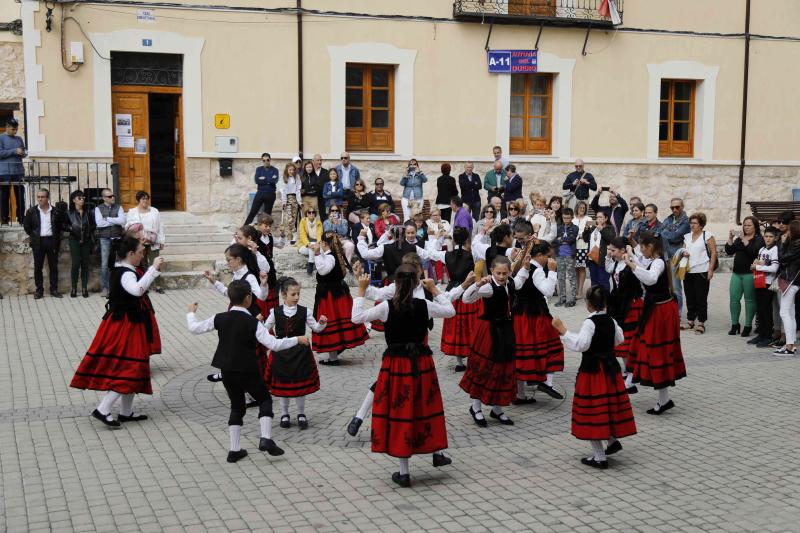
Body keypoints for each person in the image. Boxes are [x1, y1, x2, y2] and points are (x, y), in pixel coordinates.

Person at [351, 267, 455, 487]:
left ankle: (404, 472)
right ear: (417, 283)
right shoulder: (424, 305)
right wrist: (435, 289)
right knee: (425, 407)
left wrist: (360, 291)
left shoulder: (387, 307)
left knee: (401, 411)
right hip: (421, 363)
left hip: (397, 365)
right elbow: (450, 311)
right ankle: (435, 452)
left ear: (395, 285)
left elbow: (357, 317)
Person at [187, 280, 306, 462]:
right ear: (248, 298)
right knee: (264, 399)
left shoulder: (220, 317)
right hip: (248, 369)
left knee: (237, 406)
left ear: (230, 298)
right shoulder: (253, 322)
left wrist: (191, 312)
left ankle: (234, 450)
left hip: (227, 370)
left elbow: (194, 328)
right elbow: (273, 344)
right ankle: (265, 438)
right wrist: (296, 339)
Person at [70, 236, 163, 427]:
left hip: (128, 323)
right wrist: (153, 269)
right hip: (124, 326)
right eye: (140, 253)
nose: (142, 256)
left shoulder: (122, 269)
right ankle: (103, 409)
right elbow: (137, 290)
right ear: (130, 254)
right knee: (129, 368)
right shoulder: (126, 273)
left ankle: (126, 412)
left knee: (134, 365)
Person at [553, 285, 637, 470]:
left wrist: (563, 331)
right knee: (607, 405)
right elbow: (620, 339)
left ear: (588, 304)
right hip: (610, 370)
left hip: (593, 371)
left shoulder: (589, 323)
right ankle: (612, 440)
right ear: (605, 303)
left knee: (592, 410)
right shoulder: (611, 320)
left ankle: (599, 457)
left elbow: (581, 344)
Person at [624, 232, 686, 414]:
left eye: (643, 247)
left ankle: (658, 397)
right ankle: (632, 383)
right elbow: (643, 265)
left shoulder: (659, 262)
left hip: (661, 312)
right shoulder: (653, 260)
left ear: (651, 247)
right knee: (644, 346)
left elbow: (650, 278)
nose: (642, 250)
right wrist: (632, 255)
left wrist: (631, 263)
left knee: (657, 351)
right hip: (655, 309)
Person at [460, 255, 524, 426]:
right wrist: (477, 284)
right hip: (489, 332)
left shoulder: (511, 283)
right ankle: (476, 408)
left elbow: (521, 278)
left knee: (503, 368)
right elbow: (466, 299)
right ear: (492, 271)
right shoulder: (488, 288)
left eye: (504, 273)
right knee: (484, 368)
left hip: (506, 330)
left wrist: (525, 266)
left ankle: (497, 409)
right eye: (498, 273)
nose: (501, 276)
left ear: (509, 272)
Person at [264, 277, 327, 429]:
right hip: (281, 352)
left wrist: (322, 323)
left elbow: (316, 328)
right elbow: (265, 329)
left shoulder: (305, 311)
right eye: (293, 294)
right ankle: (284, 413)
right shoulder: (275, 312)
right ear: (283, 295)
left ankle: (301, 413)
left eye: (298, 293)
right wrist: (258, 323)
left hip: (300, 354)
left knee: (300, 386)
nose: (297, 297)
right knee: (283, 385)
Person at [511, 238, 564, 403]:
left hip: (519, 314)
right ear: (539, 255)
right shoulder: (538, 269)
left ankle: (520, 394)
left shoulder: (522, 265)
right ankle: (546, 383)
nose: (549, 259)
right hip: (535, 314)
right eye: (548, 256)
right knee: (552, 344)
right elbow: (547, 291)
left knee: (521, 352)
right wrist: (553, 271)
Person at [311, 231, 369, 365]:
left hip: (329, 295)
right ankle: (334, 354)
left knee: (330, 323)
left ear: (324, 243)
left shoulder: (331, 257)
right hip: (336, 293)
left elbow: (322, 271)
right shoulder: (334, 255)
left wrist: (317, 253)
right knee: (336, 322)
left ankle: (333, 357)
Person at [606, 237, 644, 394]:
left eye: (613, 250)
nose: (611, 252)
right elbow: (608, 269)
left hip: (630, 306)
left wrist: (631, 255)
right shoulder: (616, 263)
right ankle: (627, 370)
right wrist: (608, 256)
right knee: (620, 340)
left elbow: (641, 269)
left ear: (623, 250)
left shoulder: (631, 263)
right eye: (610, 249)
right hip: (618, 305)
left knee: (629, 342)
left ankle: (632, 374)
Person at [439, 227, 478, 371]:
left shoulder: (446, 255)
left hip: (453, 293)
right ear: (467, 239)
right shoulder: (472, 254)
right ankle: (472, 359)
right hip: (469, 293)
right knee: (470, 325)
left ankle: (459, 363)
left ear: (454, 240)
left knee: (456, 326)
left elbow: (428, 252)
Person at [23, 188, 68, 299]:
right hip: (38, 242)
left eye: (42, 197)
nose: (40, 199)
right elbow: (27, 226)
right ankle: (39, 291)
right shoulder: (31, 211)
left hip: (52, 241)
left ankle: (54, 290)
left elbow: (62, 224)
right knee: (38, 267)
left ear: (47, 198)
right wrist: (34, 236)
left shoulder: (56, 211)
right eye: (38, 197)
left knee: (53, 266)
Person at [724, 216, 763, 337]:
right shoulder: (739, 239)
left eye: (749, 225)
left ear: (755, 227)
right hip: (736, 273)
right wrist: (730, 238)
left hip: (750, 274)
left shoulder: (759, 239)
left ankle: (748, 325)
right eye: (745, 225)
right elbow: (729, 251)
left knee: (749, 300)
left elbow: (754, 252)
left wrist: (744, 240)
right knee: (734, 300)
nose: (746, 227)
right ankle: (735, 324)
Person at [679, 212, 716, 334]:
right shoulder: (687, 236)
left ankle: (701, 322)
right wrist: (683, 253)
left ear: (701, 225)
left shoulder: (707, 235)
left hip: (702, 270)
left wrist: (710, 269)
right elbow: (683, 250)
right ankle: (690, 320)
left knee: (701, 297)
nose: (692, 225)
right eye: (691, 223)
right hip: (688, 271)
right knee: (690, 297)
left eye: (695, 223)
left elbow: (713, 252)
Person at [125, 191, 166, 293]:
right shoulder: (132, 212)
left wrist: (161, 241)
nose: (146, 200)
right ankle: (143, 286)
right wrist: (137, 237)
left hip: (153, 242)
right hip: (139, 242)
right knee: (141, 264)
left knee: (155, 262)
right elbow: (128, 227)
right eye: (143, 198)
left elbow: (160, 226)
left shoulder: (154, 211)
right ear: (139, 200)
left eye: (147, 198)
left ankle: (158, 285)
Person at [749, 227, 780, 348]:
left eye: (771, 236)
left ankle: (768, 336)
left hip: (769, 283)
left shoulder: (775, 249)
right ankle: (761, 334)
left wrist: (757, 267)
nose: (768, 239)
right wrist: (755, 264)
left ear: (775, 238)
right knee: (760, 309)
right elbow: (760, 263)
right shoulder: (762, 249)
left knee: (766, 309)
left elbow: (774, 268)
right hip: (759, 281)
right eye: (766, 236)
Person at [660, 198, 690, 320]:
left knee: (676, 287)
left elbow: (675, 237)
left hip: (676, 257)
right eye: (672, 207)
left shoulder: (686, 221)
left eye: (677, 207)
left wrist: (665, 232)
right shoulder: (669, 218)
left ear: (682, 207)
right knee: (668, 286)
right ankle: (669, 311)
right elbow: (660, 230)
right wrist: (667, 232)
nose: (674, 209)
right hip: (665, 255)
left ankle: (677, 314)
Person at [774, 220, 800, 356]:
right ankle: (791, 344)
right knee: (790, 312)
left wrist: (783, 244)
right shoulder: (795, 244)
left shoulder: (796, 244)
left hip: (790, 281)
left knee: (784, 312)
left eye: (789, 230)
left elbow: (782, 258)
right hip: (793, 281)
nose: (787, 232)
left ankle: (789, 346)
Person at [94, 188, 126, 297]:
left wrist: (107, 219)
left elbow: (122, 221)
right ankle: (105, 288)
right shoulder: (98, 209)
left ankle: (118, 287)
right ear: (104, 198)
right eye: (109, 196)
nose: (112, 198)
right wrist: (115, 220)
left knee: (118, 264)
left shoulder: (119, 207)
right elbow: (99, 224)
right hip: (104, 239)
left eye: (113, 196)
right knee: (104, 264)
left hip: (117, 239)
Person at [66, 190, 95, 298]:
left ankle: (84, 288)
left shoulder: (88, 212)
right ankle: (74, 288)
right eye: (79, 198)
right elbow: (63, 225)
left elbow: (93, 225)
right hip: (74, 240)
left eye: (83, 198)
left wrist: (87, 231)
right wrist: (72, 228)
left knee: (85, 264)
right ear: (74, 200)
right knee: (75, 264)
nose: (82, 200)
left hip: (86, 240)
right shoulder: (69, 213)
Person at [0, 117, 26, 225]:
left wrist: (23, 153)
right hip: (4, 172)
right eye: (13, 129)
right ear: (7, 127)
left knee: (20, 196)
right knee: (4, 196)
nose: (15, 132)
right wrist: (15, 151)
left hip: (18, 171)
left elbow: (23, 152)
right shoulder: (1, 138)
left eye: (16, 129)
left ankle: (21, 218)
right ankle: (4, 219)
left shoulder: (19, 139)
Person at [583, 209, 616, 292]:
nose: (598, 219)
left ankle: (605, 298)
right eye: (597, 217)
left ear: (606, 218)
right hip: (592, 258)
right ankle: (595, 298)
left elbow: (611, 238)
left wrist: (602, 229)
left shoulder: (610, 228)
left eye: (601, 217)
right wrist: (586, 229)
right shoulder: (593, 228)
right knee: (594, 281)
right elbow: (586, 239)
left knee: (603, 281)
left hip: (602, 259)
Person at [553, 207, 579, 307]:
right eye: (564, 218)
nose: (566, 220)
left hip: (570, 255)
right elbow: (554, 240)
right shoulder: (559, 227)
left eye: (568, 218)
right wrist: (561, 240)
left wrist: (561, 239)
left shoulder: (575, 228)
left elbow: (571, 239)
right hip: (559, 255)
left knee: (572, 276)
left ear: (572, 217)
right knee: (561, 277)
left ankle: (572, 298)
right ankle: (562, 298)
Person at [244, 152, 280, 225]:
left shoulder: (275, 170)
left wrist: (263, 179)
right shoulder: (259, 169)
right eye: (264, 160)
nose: (266, 162)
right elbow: (257, 180)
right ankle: (245, 228)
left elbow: (274, 181)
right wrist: (269, 179)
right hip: (260, 193)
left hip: (270, 194)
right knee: (253, 211)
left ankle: (265, 230)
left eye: (267, 160)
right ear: (262, 161)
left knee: (267, 215)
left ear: (270, 160)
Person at [425, 208, 451, 283]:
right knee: (438, 261)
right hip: (434, 245)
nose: (436, 216)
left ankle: (450, 278)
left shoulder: (445, 222)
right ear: (430, 215)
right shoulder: (428, 222)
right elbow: (429, 232)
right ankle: (439, 280)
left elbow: (447, 232)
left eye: (438, 215)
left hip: (445, 244)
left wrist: (439, 230)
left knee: (448, 261)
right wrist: (439, 230)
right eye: (434, 215)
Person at [277, 162, 299, 244]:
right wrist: (284, 201)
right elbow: (283, 191)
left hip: (295, 199)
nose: (291, 171)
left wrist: (299, 201)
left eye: (293, 170)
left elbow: (298, 190)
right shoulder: (283, 178)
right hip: (287, 200)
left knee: (293, 218)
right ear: (287, 170)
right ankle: (294, 233)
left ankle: (292, 236)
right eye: (290, 170)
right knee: (289, 219)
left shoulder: (296, 177)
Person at [296, 207, 323, 275]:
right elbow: (302, 235)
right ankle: (311, 264)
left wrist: (317, 243)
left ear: (315, 214)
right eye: (309, 212)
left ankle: (311, 264)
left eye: (313, 212)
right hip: (304, 245)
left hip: (315, 245)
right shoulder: (303, 221)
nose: (311, 214)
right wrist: (308, 244)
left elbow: (319, 235)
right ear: (306, 214)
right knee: (313, 247)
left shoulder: (318, 222)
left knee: (314, 246)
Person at [574, 201, 591, 299]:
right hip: (573, 246)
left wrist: (580, 235)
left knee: (581, 268)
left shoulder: (588, 219)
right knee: (575, 268)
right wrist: (579, 235)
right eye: (580, 207)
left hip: (583, 247)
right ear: (577, 208)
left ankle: (580, 291)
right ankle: (577, 289)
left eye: (584, 208)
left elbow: (588, 234)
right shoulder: (572, 219)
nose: (582, 209)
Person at [311, 154, 328, 220]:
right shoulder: (310, 172)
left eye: (320, 160)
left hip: (323, 200)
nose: (320, 162)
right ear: (313, 161)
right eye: (318, 160)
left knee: (324, 217)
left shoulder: (326, 172)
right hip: (312, 199)